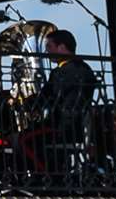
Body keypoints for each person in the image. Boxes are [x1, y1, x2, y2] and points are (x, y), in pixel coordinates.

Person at [22, 29, 99, 172]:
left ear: (62, 47)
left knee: (23, 139)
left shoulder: (62, 73)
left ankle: (40, 175)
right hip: (77, 126)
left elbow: (46, 97)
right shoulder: (85, 68)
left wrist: (25, 103)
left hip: (61, 127)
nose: (46, 52)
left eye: (49, 47)